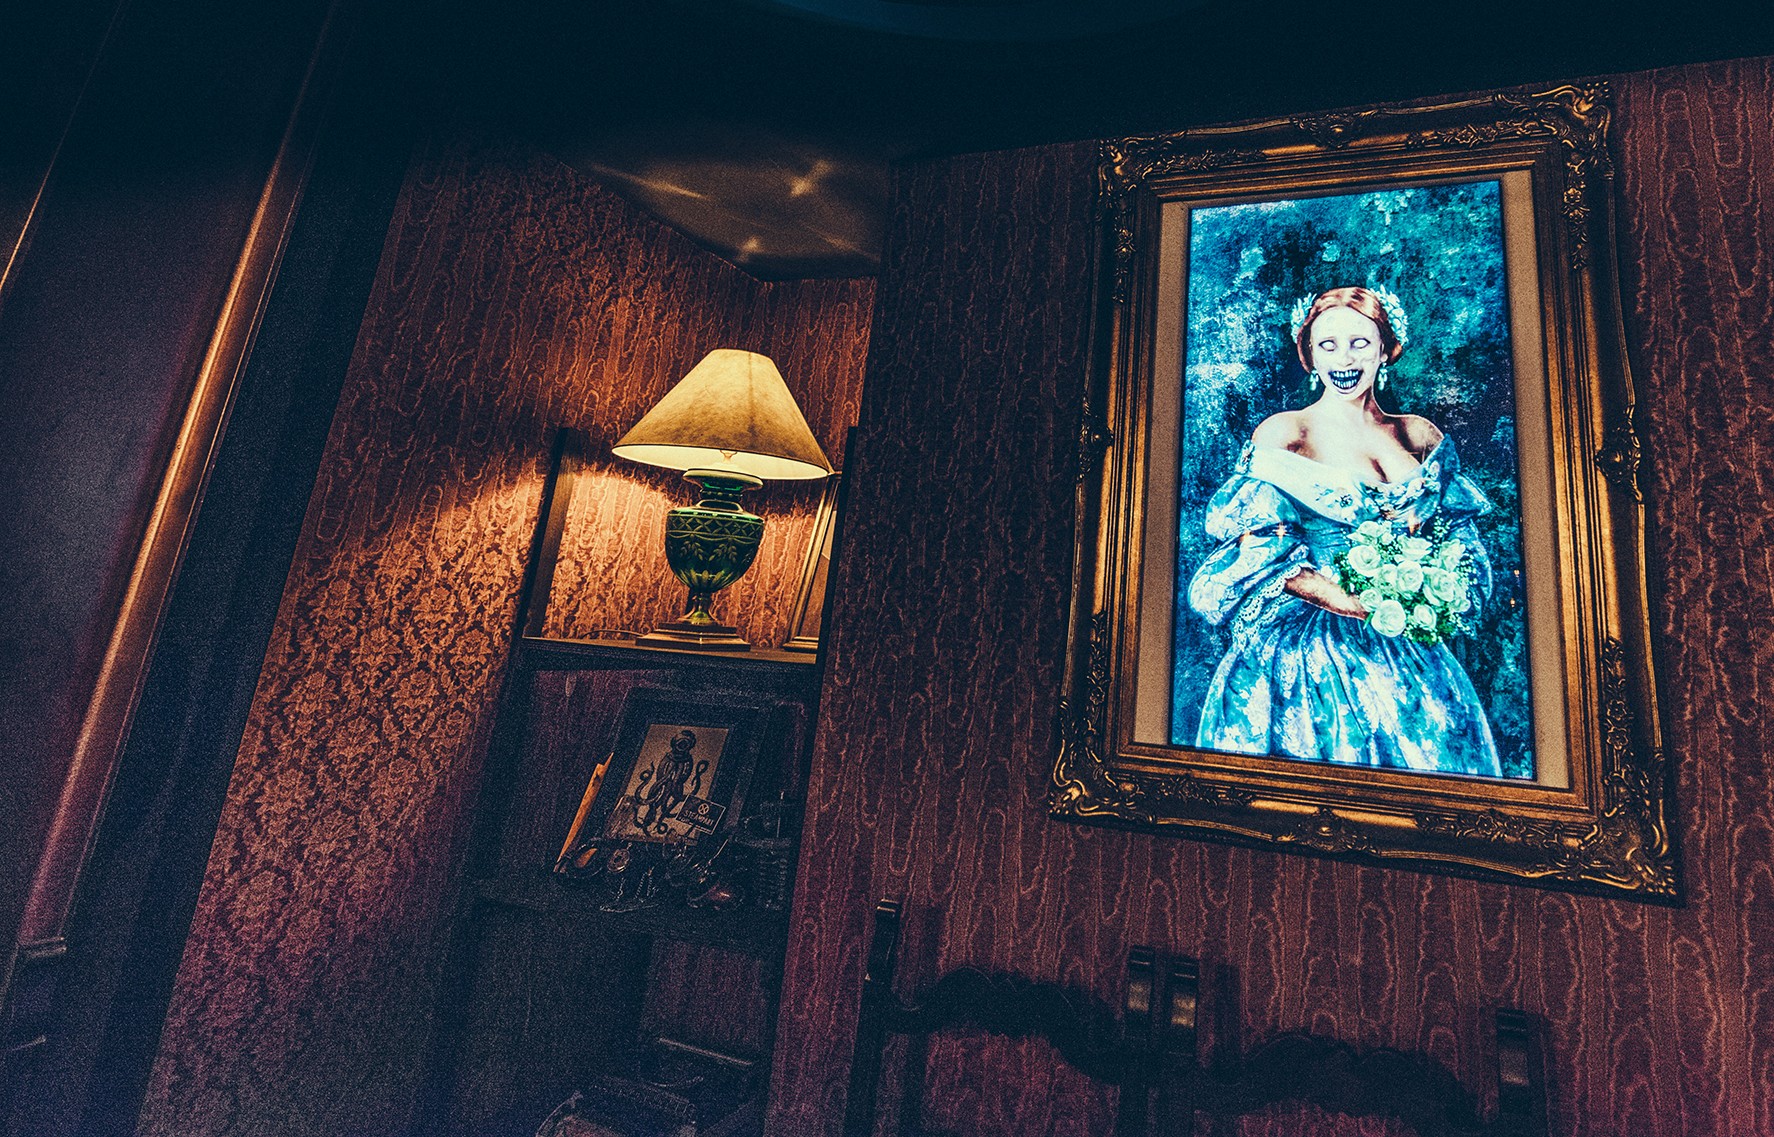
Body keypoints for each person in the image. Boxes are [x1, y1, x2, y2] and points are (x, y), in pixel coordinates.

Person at [1186, 285, 1503, 777]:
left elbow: (1454, 535)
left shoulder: (1418, 434)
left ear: (1385, 349)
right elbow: (1264, 550)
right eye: (1328, 345)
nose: (1344, 358)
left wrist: (1430, 595)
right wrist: (1359, 605)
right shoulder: (1285, 433)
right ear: (1310, 356)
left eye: (1359, 343)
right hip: (1309, 641)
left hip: (1404, 634)